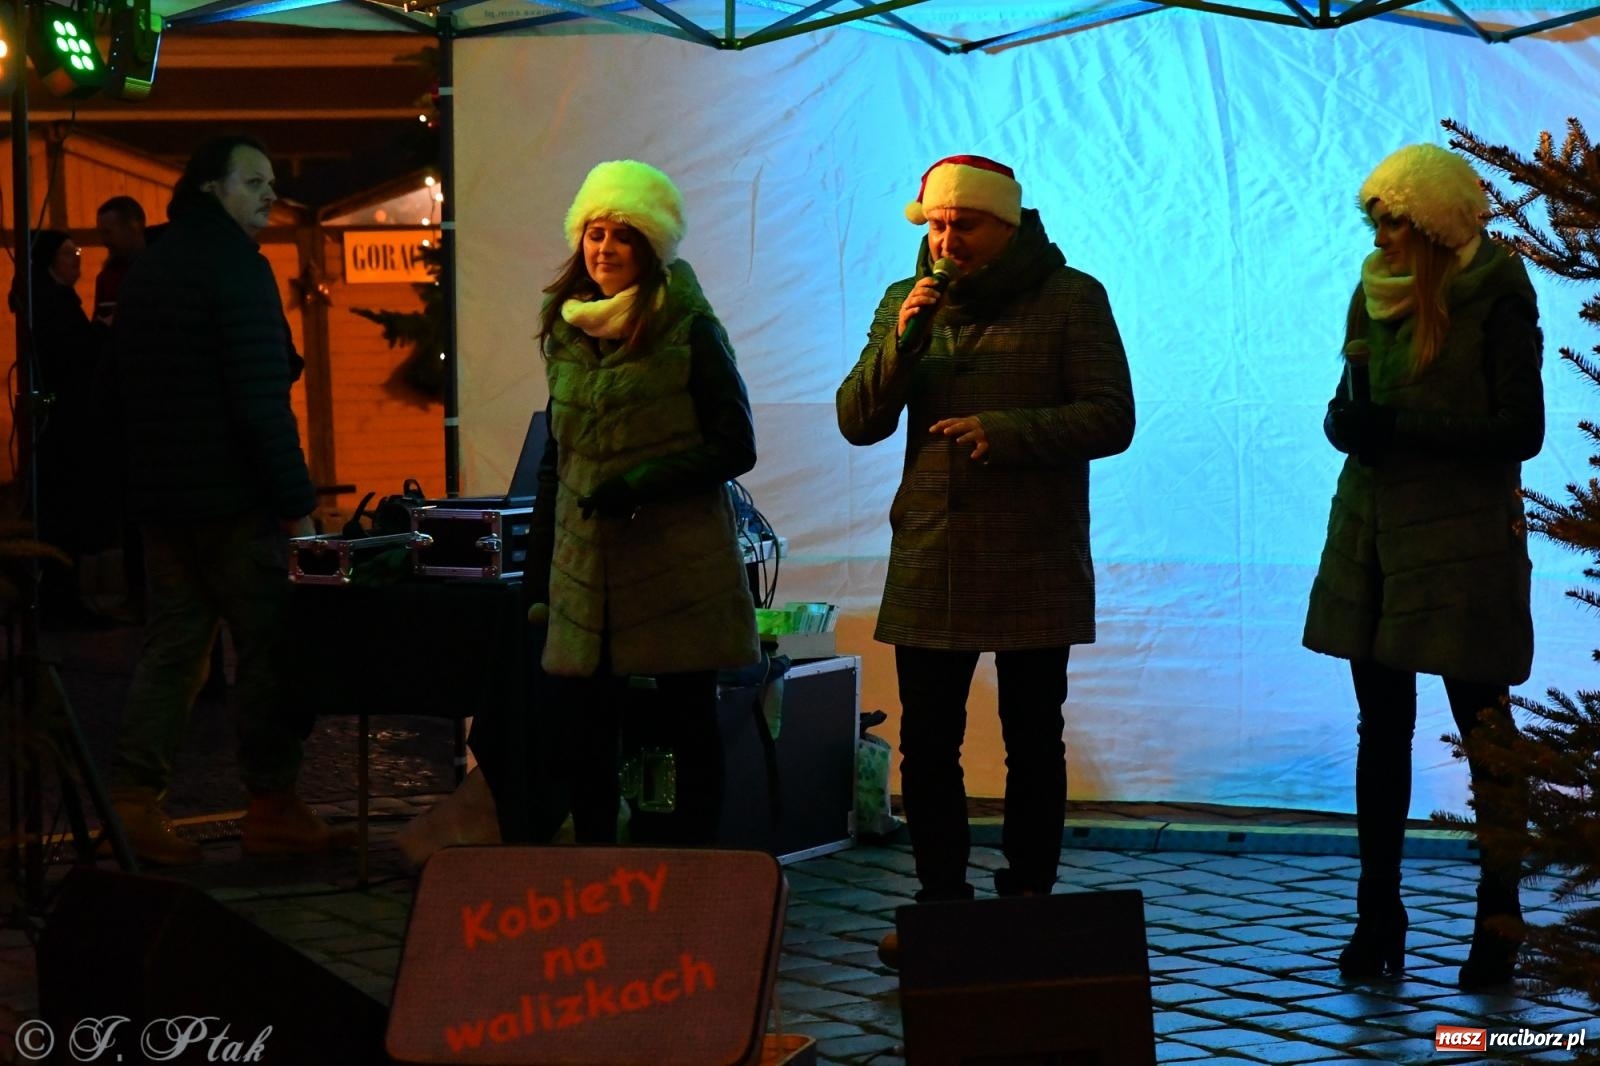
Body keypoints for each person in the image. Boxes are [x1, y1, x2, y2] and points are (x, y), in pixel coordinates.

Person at [837, 156, 1135, 930]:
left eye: (961, 225)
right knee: (928, 744)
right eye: (934, 225)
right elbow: (857, 421)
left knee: (1033, 738)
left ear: (1005, 225)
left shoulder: (1072, 299)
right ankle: (942, 901)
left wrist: (1004, 432)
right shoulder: (906, 302)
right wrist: (903, 345)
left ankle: (1029, 895)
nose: (944, 241)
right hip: (931, 550)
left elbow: (1112, 417)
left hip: (1033, 550)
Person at [1303, 143, 1543, 990]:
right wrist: (1345, 424)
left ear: (1435, 223)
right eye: (1374, 219)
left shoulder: (1496, 298)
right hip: (1373, 535)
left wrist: (1401, 432)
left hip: (1461, 546)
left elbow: (1522, 432)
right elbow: (1352, 398)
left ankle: (1500, 916)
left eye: (1395, 220)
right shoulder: (1374, 291)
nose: (1381, 234)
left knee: (1485, 734)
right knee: (1381, 732)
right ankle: (1379, 914)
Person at [106, 134, 352, 866]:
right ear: (212, 189)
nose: (270, 194)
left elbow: (115, 388)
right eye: (253, 182)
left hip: (166, 500)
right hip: (235, 502)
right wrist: (298, 508)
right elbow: (259, 405)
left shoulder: (151, 267)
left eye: (272, 181)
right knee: (272, 650)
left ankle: (132, 803)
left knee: (174, 652)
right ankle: (273, 805)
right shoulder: (239, 270)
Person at [521, 159, 760, 848]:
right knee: (587, 731)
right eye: (594, 233)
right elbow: (556, 460)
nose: (603, 249)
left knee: (688, 722)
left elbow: (735, 446)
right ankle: (599, 865)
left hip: (676, 563)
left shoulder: (689, 327)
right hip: (585, 568)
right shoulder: (567, 329)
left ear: (650, 247)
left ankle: (696, 868)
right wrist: (539, 576)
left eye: (621, 235)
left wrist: (641, 483)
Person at [8, 229, 108, 626]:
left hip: (64, 421)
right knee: (62, 512)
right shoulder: (52, 305)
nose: (77, 260)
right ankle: (61, 600)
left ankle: (63, 597)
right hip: (64, 425)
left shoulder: (54, 301)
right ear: (49, 261)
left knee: (63, 513)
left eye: (78, 251)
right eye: (69, 253)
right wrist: (100, 331)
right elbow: (71, 356)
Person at [94, 195, 148, 326]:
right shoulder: (106, 278)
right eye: (101, 233)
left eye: (108, 233)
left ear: (132, 229)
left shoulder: (159, 270)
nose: (104, 241)